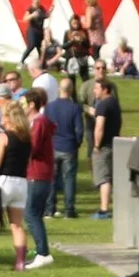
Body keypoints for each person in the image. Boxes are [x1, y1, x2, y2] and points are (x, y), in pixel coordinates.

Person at [46, 77, 86, 219]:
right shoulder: (74, 108)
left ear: (59, 90)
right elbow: (80, 130)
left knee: (51, 178)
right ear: (71, 90)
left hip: (53, 146)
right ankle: (69, 209)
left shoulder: (50, 107)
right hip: (69, 146)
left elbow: (46, 127)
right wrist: (77, 143)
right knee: (69, 179)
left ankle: (50, 208)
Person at [88, 77, 124, 219]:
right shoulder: (114, 103)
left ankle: (104, 209)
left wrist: (97, 145)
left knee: (103, 178)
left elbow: (100, 126)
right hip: (113, 144)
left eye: (96, 88)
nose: (94, 91)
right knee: (108, 176)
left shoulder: (103, 105)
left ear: (105, 89)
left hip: (104, 146)